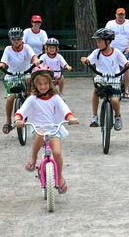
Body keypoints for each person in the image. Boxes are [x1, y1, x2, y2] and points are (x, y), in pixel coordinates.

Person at [14, 64, 78, 194]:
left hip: (54, 129)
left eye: (45, 83)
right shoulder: (32, 99)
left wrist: (71, 118)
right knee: (40, 135)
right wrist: (18, 120)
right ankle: (33, 158)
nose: (43, 87)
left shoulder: (55, 98)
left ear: (50, 83)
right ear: (35, 85)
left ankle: (59, 176)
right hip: (38, 128)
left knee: (57, 153)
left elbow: (65, 110)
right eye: (40, 84)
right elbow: (21, 112)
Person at [80, 28, 129, 130]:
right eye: (97, 42)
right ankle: (94, 116)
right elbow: (88, 60)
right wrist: (84, 60)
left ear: (107, 42)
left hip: (115, 79)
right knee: (96, 91)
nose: (97, 44)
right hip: (101, 78)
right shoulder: (96, 53)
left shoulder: (116, 53)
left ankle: (117, 116)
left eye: (100, 41)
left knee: (115, 101)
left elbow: (125, 63)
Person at [0, 27, 41, 134]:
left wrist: (36, 61)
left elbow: (33, 56)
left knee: (30, 86)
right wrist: (1, 65)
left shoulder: (26, 47)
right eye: (13, 39)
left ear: (22, 39)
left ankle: (33, 115)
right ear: (10, 40)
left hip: (25, 72)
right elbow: (4, 62)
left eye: (18, 39)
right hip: (11, 75)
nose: (16, 41)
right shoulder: (8, 49)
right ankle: (8, 121)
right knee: (10, 98)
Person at [105, 8, 129, 98]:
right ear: (116, 15)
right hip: (113, 50)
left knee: (126, 68)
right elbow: (106, 35)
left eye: (122, 15)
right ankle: (112, 88)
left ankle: (126, 90)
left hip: (126, 50)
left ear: (125, 15)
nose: (120, 16)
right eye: (119, 14)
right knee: (112, 68)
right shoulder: (110, 24)